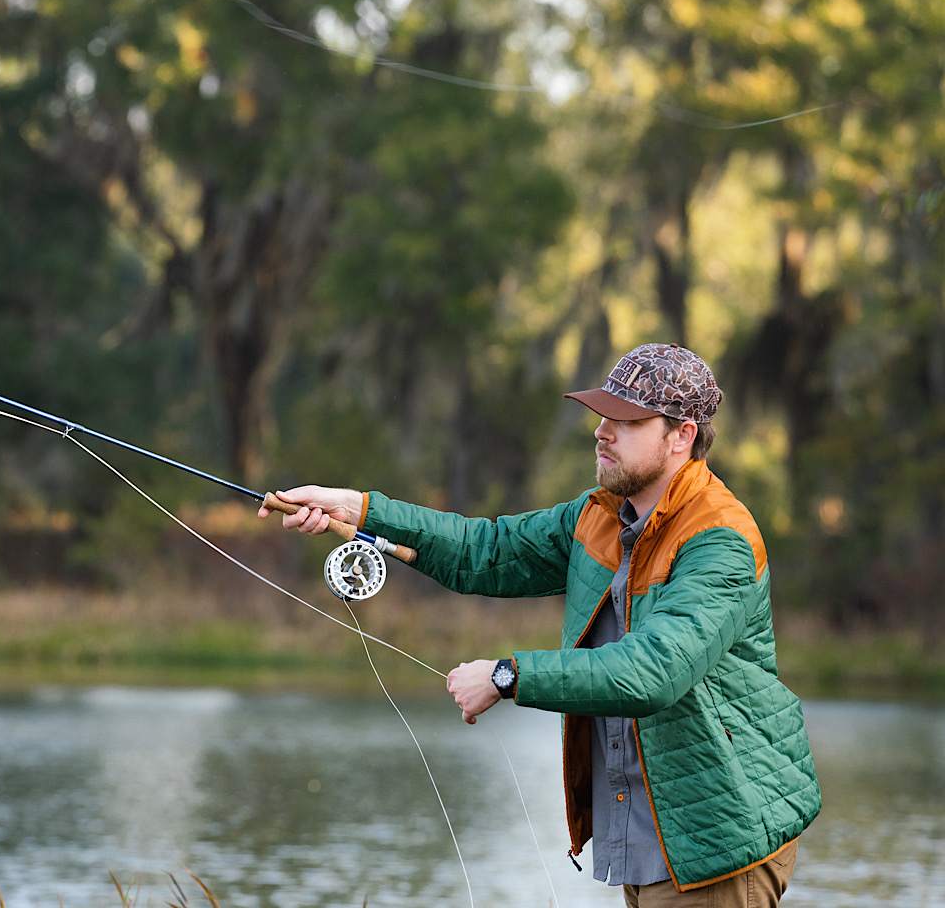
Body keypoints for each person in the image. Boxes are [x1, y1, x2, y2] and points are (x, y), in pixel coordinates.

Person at [260, 343, 821, 906]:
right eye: (601, 415)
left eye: (625, 420)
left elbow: (651, 673)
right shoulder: (598, 515)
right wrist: (359, 510)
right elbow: (486, 549)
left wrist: (507, 676)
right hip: (655, 844)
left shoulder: (720, 540)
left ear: (682, 435)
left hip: (715, 843)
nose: (602, 431)